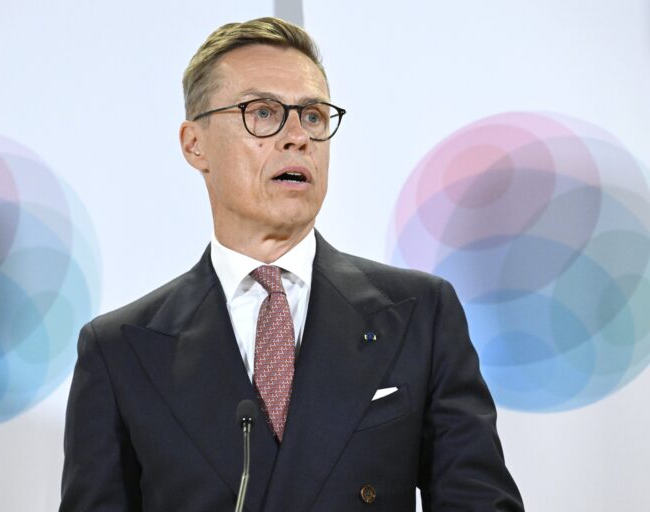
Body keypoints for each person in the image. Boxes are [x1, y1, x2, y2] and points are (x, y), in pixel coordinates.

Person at [60, 17, 524, 512]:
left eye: (314, 116)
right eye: (263, 113)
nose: (298, 137)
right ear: (195, 144)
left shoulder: (420, 314)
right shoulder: (119, 351)